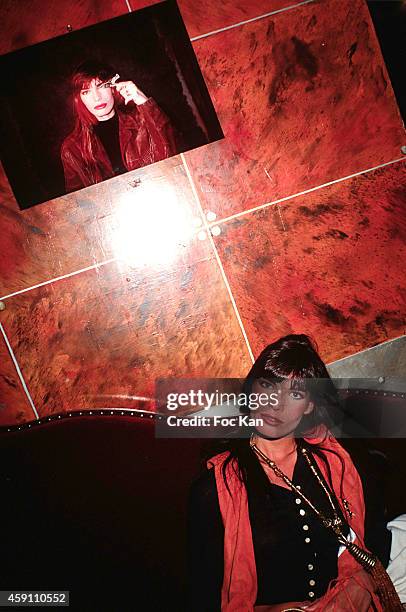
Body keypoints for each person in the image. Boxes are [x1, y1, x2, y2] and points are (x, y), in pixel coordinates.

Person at [188, 334, 403, 611]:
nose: (276, 403)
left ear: (310, 405)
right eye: (269, 385)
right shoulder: (213, 490)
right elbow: (202, 597)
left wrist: (362, 581)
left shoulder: (337, 459)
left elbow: (374, 538)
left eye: (296, 393)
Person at [60, 60, 178, 193]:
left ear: (113, 88)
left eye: (101, 86)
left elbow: (174, 160)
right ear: (78, 99)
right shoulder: (72, 148)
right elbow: (77, 203)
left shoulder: (143, 122)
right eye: (86, 91)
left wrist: (144, 102)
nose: (97, 97)